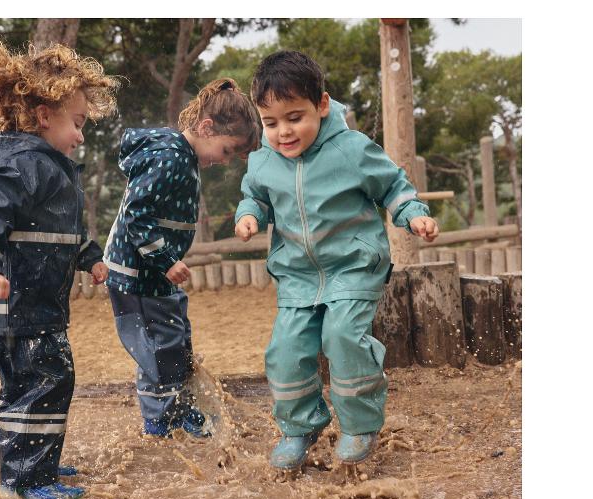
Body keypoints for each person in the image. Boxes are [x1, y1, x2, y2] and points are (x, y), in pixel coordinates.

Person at [234, 51, 439, 469]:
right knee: (285, 350)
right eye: (271, 123)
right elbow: (254, 195)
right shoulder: (263, 160)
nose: (283, 132)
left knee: (343, 335)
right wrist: (249, 216)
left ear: (322, 105)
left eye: (295, 117)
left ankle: (360, 423)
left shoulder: (351, 149)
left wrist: (413, 214)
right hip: (297, 275)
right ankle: (300, 428)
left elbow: (392, 185)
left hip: (353, 265)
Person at [0, 38, 119, 499]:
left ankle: (27, 460)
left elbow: (60, 229)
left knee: (27, 384)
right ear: (45, 115)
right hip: (17, 304)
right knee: (47, 380)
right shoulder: (23, 163)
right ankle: (24, 480)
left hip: (27, 304)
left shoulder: (45, 165)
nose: (82, 135)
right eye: (79, 122)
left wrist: (89, 256)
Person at [104, 78, 261, 438]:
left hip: (151, 270)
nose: (223, 162)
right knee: (158, 343)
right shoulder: (170, 156)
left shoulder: (181, 156)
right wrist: (166, 260)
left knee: (173, 335)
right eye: (226, 151)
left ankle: (174, 408)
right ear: (206, 128)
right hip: (138, 271)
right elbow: (136, 215)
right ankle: (162, 418)